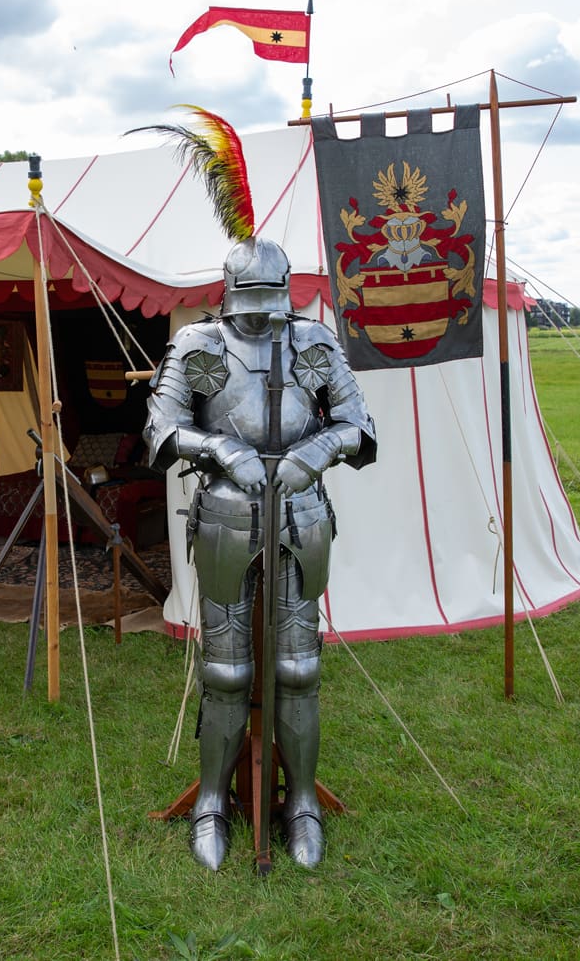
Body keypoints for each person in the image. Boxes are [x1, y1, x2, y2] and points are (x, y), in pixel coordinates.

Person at [144, 234, 376, 870]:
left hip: (301, 513)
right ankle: (211, 803)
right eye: (250, 301)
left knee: (299, 669)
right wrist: (219, 448)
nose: (260, 316)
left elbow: (358, 423)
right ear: (228, 291)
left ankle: (301, 803)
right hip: (226, 515)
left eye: (270, 299)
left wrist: (317, 450)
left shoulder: (314, 340)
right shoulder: (198, 343)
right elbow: (161, 427)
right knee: (226, 673)